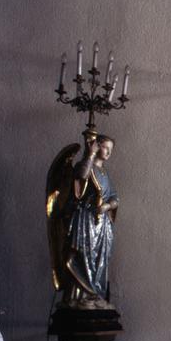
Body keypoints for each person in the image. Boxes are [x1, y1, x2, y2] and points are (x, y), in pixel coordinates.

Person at [46, 131, 119, 309]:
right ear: (96, 145)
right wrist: (90, 154)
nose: (108, 152)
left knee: (100, 260)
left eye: (111, 149)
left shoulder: (105, 173)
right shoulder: (86, 165)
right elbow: (81, 178)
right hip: (85, 221)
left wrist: (108, 206)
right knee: (83, 256)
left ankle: (95, 295)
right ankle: (79, 297)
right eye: (105, 147)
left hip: (101, 225)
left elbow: (115, 197)